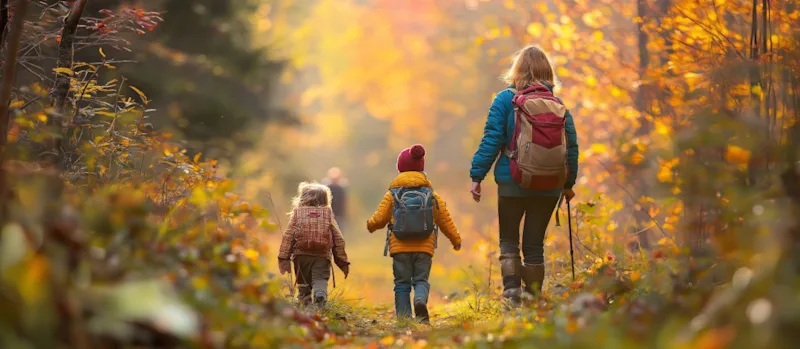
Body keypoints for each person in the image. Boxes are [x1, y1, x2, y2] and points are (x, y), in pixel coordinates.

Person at [469, 45, 579, 304]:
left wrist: (477, 175)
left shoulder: (504, 100)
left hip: (512, 181)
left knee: (509, 239)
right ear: (547, 72)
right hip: (550, 184)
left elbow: (492, 139)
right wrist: (568, 183)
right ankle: (533, 298)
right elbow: (571, 147)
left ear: (516, 69)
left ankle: (511, 293)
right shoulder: (558, 105)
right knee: (534, 243)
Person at [367, 144, 462, 324]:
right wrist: (455, 240)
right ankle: (420, 299)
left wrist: (370, 226)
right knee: (421, 280)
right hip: (424, 248)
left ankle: (404, 320)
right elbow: (445, 220)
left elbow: (379, 219)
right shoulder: (431, 195)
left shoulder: (393, 194)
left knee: (402, 284)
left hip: (399, 247)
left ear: (400, 169)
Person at [278, 182, 350, 307]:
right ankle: (320, 294)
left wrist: (283, 257)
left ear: (302, 198)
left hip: (301, 256)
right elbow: (339, 239)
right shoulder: (327, 214)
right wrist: (342, 261)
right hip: (321, 256)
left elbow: (288, 236)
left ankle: (304, 306)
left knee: (303, 283)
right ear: (325, 199)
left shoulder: (297, 213)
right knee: (320, 279)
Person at [322, 167, 349, 232]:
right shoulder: (327, 188)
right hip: (330, 214)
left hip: (339, 214)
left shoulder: (341, 188)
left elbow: (345, 201)